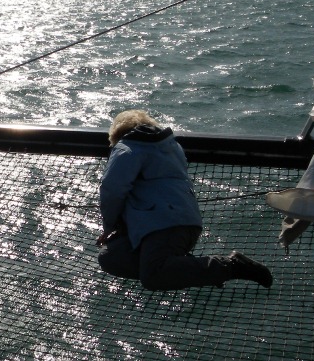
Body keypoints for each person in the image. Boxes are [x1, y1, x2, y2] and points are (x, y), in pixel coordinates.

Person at [96, 109, 273, 290]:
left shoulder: (127, 147)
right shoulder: (172, 147)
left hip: (162, 226)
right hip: (186, 223)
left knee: (153, 276)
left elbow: (112, 189)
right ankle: (194, 271)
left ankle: (230, 266)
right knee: (110, 257)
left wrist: (109, 226)